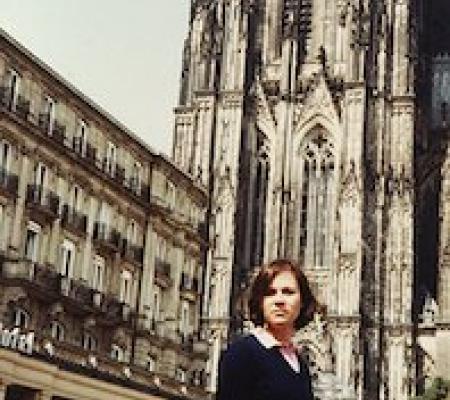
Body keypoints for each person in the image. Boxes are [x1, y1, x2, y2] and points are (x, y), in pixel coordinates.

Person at [216, 259, 320, 400]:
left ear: (302, 302)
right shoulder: (242, 354)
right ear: (260, 302)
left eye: (288, 292)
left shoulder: (300, 365)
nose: (279, 300)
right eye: (270, 293)